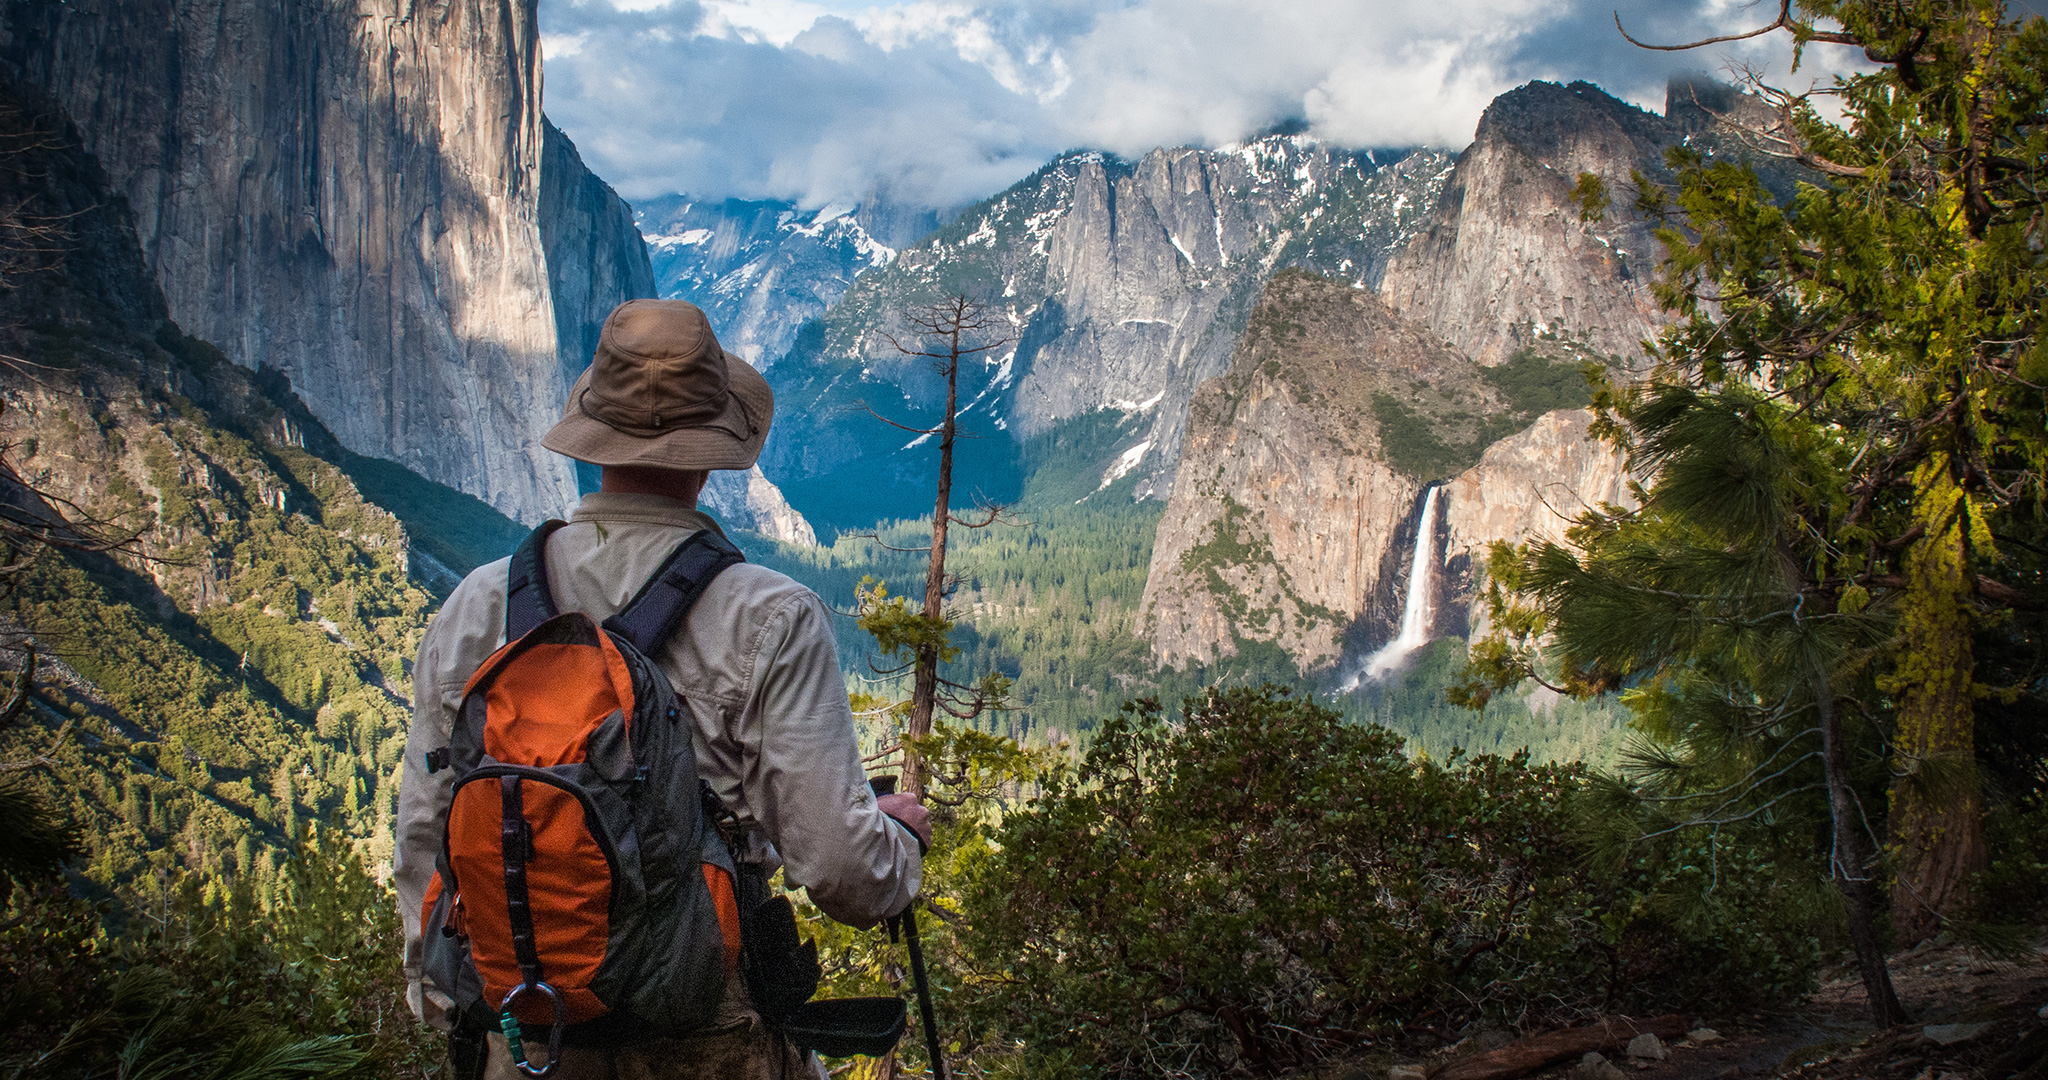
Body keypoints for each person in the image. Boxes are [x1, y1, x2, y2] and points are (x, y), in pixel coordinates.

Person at [393, 299, 929, 1080]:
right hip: (706, 1038)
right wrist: (899, 843)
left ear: (594, 435)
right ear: (712, 451)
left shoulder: (477, 604)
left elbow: (426, 832)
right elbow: (846, 873)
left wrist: (447, 1000)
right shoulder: (769, 615)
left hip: (529, 1035)